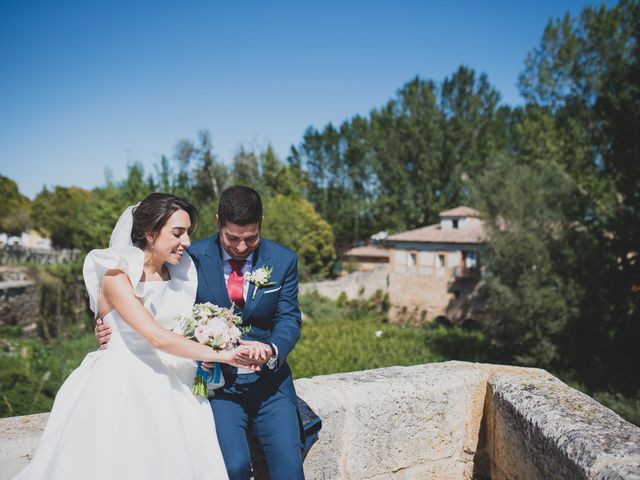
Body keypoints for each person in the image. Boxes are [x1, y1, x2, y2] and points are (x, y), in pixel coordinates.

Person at [15, 193, 261, 480]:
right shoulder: (116, 276)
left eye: (188, 234)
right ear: (150, 234)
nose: (187, 243)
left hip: (175, 383)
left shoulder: (181, 275)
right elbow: (157, 337)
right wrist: (223, 355)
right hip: (123, 383)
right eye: (178, 233)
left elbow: (180, 330)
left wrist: (209, 345)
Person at [97, 186, 305, 479]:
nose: (242, 247)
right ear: (219, 221)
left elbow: (289, 319)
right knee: (230, 467)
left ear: (260, 224)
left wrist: (271, 349)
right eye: (233, 238)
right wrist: (111, 323)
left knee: (290, 468)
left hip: (270, 385)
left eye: (251, 238)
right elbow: (150, 311)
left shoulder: (283, 260)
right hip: (217, 386)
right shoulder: (188, 258)